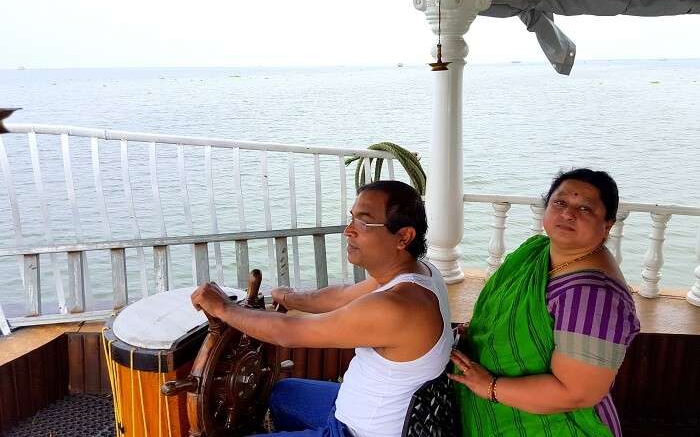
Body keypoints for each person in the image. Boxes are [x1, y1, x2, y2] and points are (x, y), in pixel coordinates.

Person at [191, 180, 453, 437]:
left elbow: (289, 332)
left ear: (403, 237)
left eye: (364, 222)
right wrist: (291, 297)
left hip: (355, 430)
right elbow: (342, 296)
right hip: (359, 406)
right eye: (351, 218)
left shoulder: (396, 307)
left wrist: (223, 308)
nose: (349, 230)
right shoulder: (421, 273)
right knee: (283, 393)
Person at [450, 168, 640, 436]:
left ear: (607, 225)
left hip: (555, 426)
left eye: (585, 209)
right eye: (560, 202)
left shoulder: (594, 295)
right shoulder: (536, 251)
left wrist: (490, 387)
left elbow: (576, 394)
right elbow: (505, 310)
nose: (568, 213)